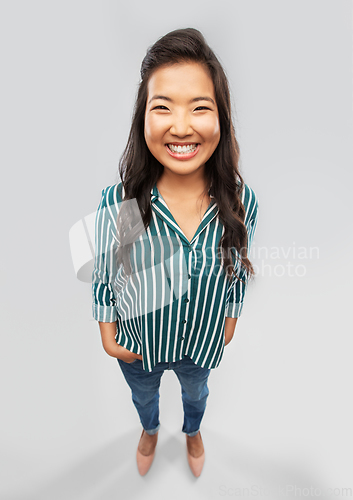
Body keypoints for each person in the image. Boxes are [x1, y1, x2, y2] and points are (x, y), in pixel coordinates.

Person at [92, 27, 259, 477]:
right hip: (139, 345)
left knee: (196, 394)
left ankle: (192, 430)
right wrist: (108, 332)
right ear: (142, 118)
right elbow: (108, 272)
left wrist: (230, 318)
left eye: (199, 108)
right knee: (143, 396)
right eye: (162, 107)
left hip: (202, 344)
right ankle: (149, 430)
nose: (181, 126)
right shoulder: (121, 202)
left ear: (220, 118)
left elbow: (235, 268)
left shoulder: (240, 202)